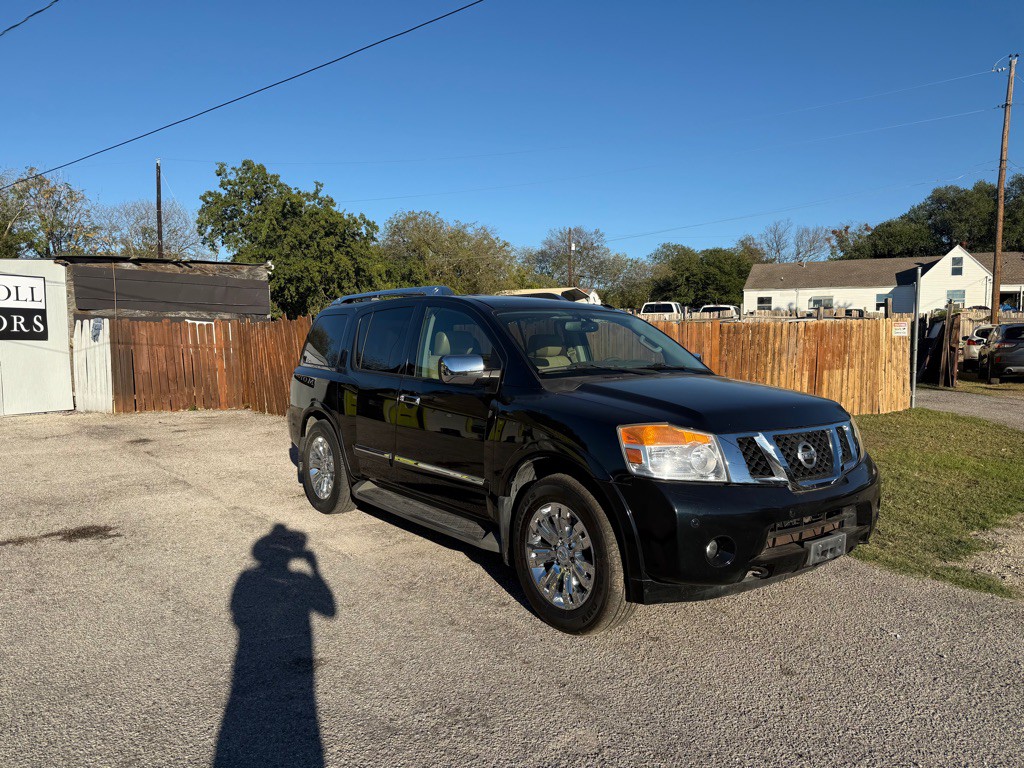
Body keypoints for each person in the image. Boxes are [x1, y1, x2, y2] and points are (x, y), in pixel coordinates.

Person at [214, 524, 336, 768]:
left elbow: (238, 615)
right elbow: (329, 610)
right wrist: (315, 569)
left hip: (251, 656)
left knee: (249, 718)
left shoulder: (248, 578)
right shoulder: (298, 579)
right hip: (282, 656)